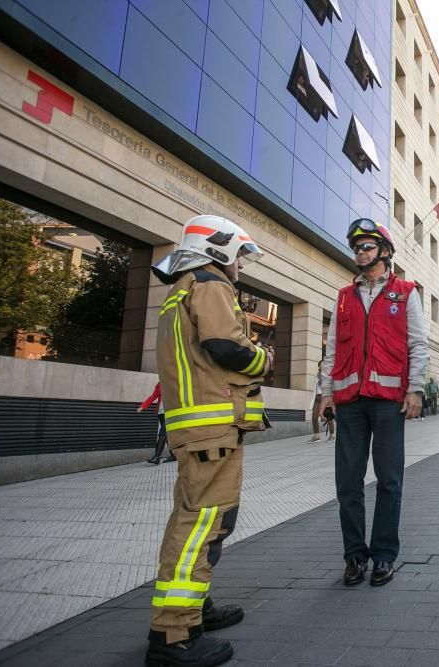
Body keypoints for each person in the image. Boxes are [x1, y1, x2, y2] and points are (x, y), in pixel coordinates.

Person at [146, 215, 272, 667]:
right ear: (219, 250)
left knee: (193, 520)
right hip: (211, 430)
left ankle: (194, 610)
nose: (241, 264)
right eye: (238, 254)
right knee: (201, 525)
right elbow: (227, 347)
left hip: (196, 428)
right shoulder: (210, 283)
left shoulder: (180, 287)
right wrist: (265, 358)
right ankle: (174, 635)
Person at [318, 218, 428, 588]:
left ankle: (383, 555)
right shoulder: (344, 298)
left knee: (389, 481)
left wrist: (416, 389)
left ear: (383, 251)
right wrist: (325, 392)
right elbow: (332, 349)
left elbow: (418, 345)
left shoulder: (406, 291)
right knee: (347, 484)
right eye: (357, 247)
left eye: (366, 247)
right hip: (349, 403)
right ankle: (354, 556)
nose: (359, 253)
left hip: (387, 403)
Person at [138, 382, 171, 464]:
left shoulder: (173, 381)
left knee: (162, 434)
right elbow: (153, 396)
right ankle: (174, 455)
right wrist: (143, 406)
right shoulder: (159, 384)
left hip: (170, 413)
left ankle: (157, 457)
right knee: (167, 435)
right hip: (160, 413)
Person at [310, 360, 325, 442]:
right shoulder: (316, 376)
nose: (323, 366)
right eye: (321, 365)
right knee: (314, 417)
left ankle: (332, 435)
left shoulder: (328, 375)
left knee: (328, 417)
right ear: (319, 366)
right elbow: (314, 388)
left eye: (324, 364)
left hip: (325, 397)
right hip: (317, 397)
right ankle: (317, 436)